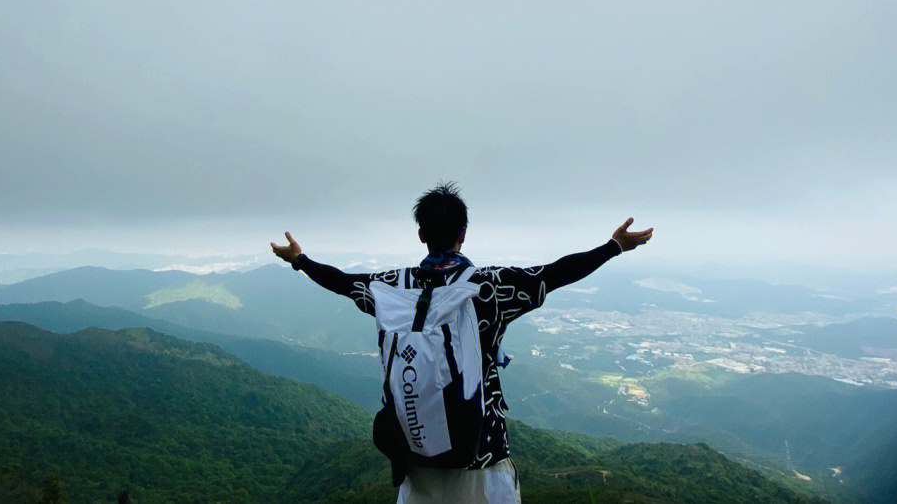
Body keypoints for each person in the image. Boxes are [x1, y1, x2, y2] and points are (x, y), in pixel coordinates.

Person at [270, 182, 653, 504]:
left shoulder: (391, 289)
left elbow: (340, 281)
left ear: (421, 234)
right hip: (482, 461)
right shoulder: (489, 288)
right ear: (463, 234)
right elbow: (554, 273)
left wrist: (299, 260)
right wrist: (613, 247)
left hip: (416, 463)